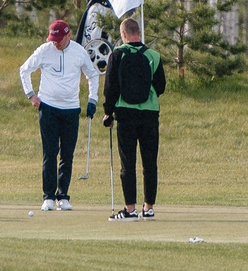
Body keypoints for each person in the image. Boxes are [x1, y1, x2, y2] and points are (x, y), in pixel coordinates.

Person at [18, 16, 100, 210]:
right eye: (52, 39)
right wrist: (31, 95)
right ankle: (48, 196)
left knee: (67, 154)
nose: (54, 42)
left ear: (68, 35)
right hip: (48, 108)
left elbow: (92, 75)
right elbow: (24, 70)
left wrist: (92, 99)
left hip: (71, 109)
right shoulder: (44, 50)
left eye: (58, 39)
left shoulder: (79, 52)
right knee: (50, 152)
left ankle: (62, 196)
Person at [100, 15, 166, 220]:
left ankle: (130, 209)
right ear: (139, 33)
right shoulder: (153, 55)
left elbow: (110, 86)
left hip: (125, 113)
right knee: (150, 162)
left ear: (123, 35)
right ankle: (149, 208)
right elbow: (160, 86)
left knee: (128, 162)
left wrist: (108, 112)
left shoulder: (117, 54)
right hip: (150, 113)